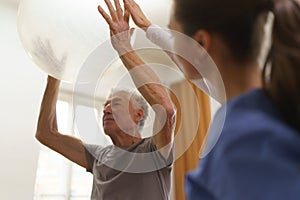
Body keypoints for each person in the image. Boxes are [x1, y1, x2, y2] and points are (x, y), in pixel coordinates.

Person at [123, 0, 300, 199]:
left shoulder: (244, 144)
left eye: (174, 34)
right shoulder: (272, 106)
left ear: (200, 43)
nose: (173, 41)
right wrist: (149, 27)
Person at [35, 0, 176, 199]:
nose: (106, 109)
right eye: (105, 105)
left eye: (115, 103)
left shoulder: (152, 152)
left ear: (138, 114)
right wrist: (54, 74)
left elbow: (166, 109)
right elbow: (45, 134)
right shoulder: (99, 157)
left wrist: (123, 48)